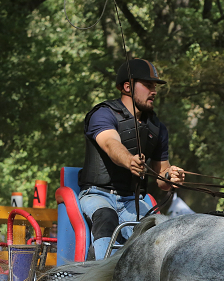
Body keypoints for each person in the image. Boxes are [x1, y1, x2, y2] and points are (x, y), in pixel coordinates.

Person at [78, 58, 186, 260]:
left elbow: (161, 177)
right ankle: (100, 279)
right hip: (98, 195)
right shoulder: (103, 114)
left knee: (158, 228)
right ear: (127, 87)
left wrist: (171, 177)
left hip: (133, 199)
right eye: (147, 85)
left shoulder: (157, 128)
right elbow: (111, 143)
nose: (153, 91)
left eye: (155, 86)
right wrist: (129, 161)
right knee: (106, 219)